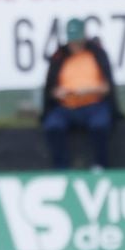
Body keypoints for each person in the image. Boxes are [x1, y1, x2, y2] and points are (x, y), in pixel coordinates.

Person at [40, 18, 117, 170]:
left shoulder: (97, 54)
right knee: (53, 125)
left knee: (100, 124)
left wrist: (91, 90)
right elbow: (50, 89)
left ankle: (100, 166)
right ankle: (61, 168)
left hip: (94, 104)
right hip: (66, 106)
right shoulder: (59, 57)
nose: (74, 45)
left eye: (77, 41)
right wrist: (59, 93)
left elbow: (107, 87)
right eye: (72, 41)